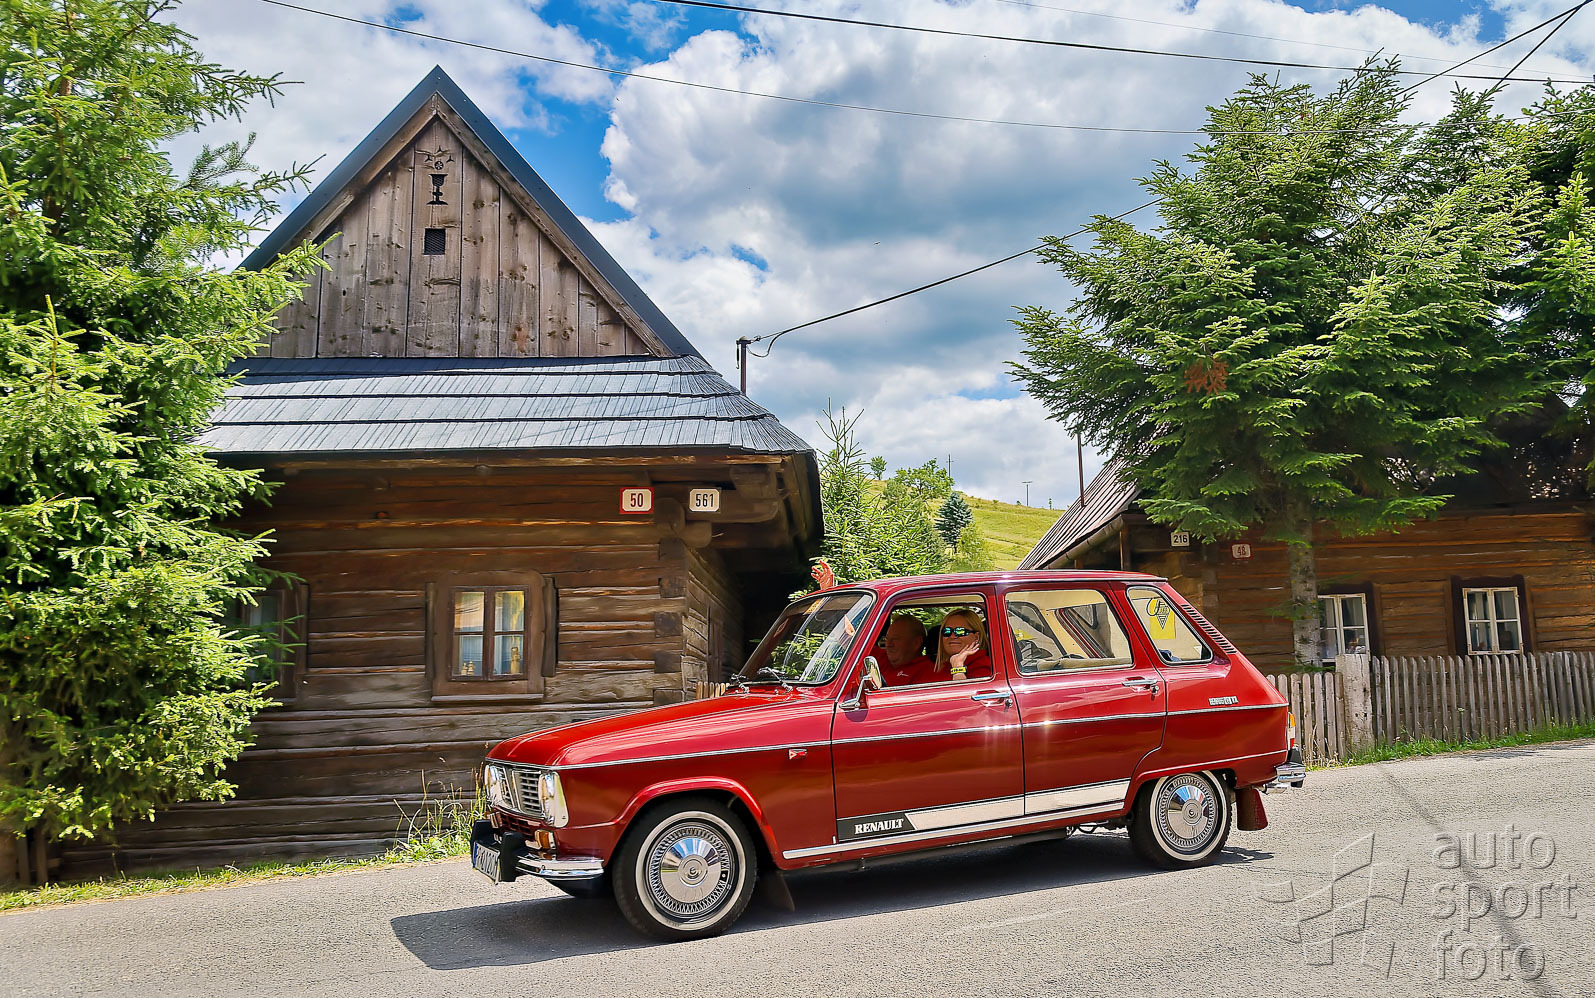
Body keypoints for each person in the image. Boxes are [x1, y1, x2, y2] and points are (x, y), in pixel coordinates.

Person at [932, 608, 993, 682]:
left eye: (960, 631)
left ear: (976, 637)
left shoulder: (983, 667)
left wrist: (958, 669)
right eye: (947, 631)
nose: (952, 636)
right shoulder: (939, 666)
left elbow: (964, 690)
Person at [875, 614, 934, 686]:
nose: (888, 644)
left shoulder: (927, 672)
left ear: (916, 643)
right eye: (886, 639)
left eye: (895, 639)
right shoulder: (881, 659)